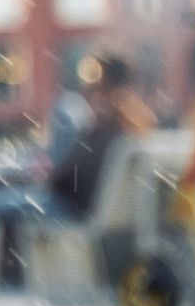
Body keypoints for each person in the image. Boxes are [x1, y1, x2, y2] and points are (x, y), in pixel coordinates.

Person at [48, 53, 154, 223]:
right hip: (104, 215)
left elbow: (63, 179)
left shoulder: (107, 121)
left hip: (74, 210)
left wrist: (48, 179)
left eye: (94, 76)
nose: (89, 84)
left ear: (104, 80)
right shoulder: (136, 120)